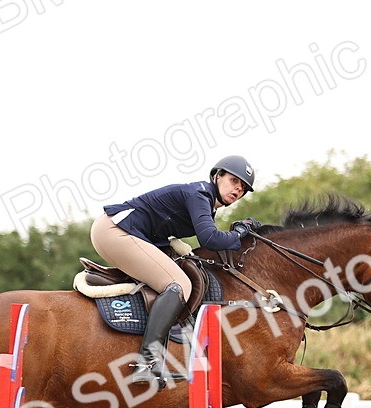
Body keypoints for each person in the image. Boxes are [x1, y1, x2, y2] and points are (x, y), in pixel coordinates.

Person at [91, 155, 261, 385]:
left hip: (121, 231)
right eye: (233, 181)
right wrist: (240, 233)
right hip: (116, 230)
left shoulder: (206, 204)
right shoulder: (200, 194)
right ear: (217, 176)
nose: (237, 190)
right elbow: (210, 238)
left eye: (242, 188)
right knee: (179, 284)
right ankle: (147, 363)